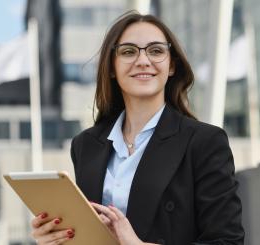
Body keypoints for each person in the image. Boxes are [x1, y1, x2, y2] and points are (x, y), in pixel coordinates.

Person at [30, 11, 244, 245]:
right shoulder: (85, 145)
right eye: (129, 51)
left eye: (156, 50)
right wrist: (57, 238)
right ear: (111, 67)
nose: (143, 60)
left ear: (171, 65)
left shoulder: (205, 142)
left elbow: (228, 241)